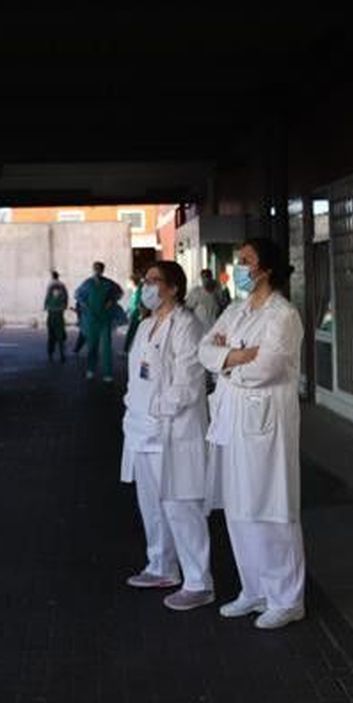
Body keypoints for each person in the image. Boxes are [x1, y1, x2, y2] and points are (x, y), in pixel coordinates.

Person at [198, 239, 307, 631]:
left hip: (266, 423)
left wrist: (227, 365)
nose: (239, 266)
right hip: (232, 421)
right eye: (239, 260)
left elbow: (269, 368)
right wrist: (236, 356)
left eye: (246, 260)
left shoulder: (284, 315)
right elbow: (203, 348)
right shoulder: (236, 309)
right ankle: (254, 589)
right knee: (240, 508)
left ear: (267, 269)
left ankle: (286, 598)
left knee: (272, 508)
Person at [120, 262, 213, 612]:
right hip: (142, 430)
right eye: (145, 281)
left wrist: (160, 410)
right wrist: (134, 408)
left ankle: (199, 582)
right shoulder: (145, 325)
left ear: (173, 288)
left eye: (154, 281)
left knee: (181, 506)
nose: (147, 287)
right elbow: (137, 376)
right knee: (152, 505)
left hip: (174, 430)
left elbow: (188, 382)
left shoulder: (187, 326)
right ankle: (161, 566)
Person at [76, 261, 122, 383]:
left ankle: (107, 373)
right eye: (96, 268)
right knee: (92, 346)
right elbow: (78, 296)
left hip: (104, 319)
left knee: (106, 346)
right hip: (91, 319)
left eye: (99, 269)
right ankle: (91, 370)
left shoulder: (108, 283)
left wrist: (111, 301)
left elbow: (119, 292)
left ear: (102, 270)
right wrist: (84, 306)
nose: (97, 271)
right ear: (93, 269)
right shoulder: (87, 283)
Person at [42, 272, 70, 361]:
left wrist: (46, 306)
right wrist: (63, 306)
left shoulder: (50, 286)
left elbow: (47, 299)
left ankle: (50, 354)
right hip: (59, 313)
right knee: (60, 335)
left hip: (52, 313)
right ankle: (62, 354)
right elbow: (66, 298)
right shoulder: (62, 286)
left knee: (51, 335)